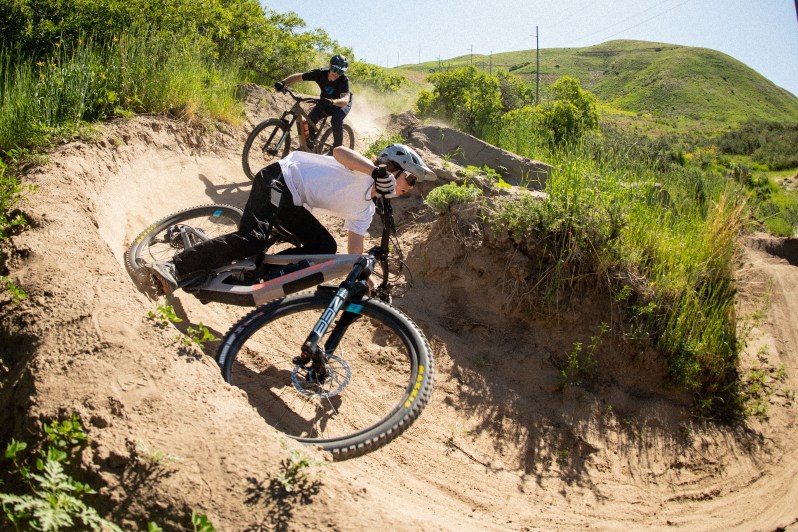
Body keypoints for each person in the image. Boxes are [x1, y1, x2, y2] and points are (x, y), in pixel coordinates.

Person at [149, 143, 436, 294]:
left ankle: (255, 274)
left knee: (325, 247)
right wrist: (375, 172)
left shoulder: (366, 210)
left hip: (294, 202)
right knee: (252, 238)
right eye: (410, 178)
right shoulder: (363, 169)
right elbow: (340, 152)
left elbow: (355, 246)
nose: (411, 186)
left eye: (414, 183)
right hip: (277, 181)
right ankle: (174, 266)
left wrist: (364, 276)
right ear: (394, 167)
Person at [274, 54, 352, 148]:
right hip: (326, 101)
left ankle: (337, 148)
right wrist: (283, 82)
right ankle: (309, 145)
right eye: (335, 69)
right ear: (330, 66)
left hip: (341, 104)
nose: (336, 73)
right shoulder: (320, 73)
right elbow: (299, 76)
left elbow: (345, 99)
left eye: (340, 72)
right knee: (309, 122)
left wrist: (333, 102)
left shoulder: (343, 80)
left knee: (336, 120)